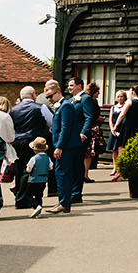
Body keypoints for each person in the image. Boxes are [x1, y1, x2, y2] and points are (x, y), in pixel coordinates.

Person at [48, 79, 88, 215]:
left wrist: (59, 146)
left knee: (62, 174)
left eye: (50, 96)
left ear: (58, 92)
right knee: (62, 174)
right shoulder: (63, 105)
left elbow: (66, 128)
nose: (49, 99)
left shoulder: (65, 106)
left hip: (66, 146)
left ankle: (64, 203)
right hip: (67, 145)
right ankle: (63, 202)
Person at [9, 86, 51, 206]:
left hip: (16, 141)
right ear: (33, 94)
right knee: (29, 169)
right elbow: (52, 122)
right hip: (33, 141)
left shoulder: (13, 109)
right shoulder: (41, 107)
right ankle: (23, 197)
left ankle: (19, 195)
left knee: (18, 169)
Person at [109, 84, 138, 182]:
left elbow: (122, 114)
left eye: (130, 91)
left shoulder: (130, 101)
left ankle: (121, 172)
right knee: (135, 148)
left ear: (133, 92)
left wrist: (116, 126)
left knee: (122, 148)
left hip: (127, 127)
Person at [24, 138, 52, 218]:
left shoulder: (34, 158)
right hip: (43, 180)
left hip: (33, 180)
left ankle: (36, 206)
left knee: (27, 195)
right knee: (39, 196)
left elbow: (29, 169)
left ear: (34, 150)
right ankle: (39, 213)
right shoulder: (47, 158)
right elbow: (51, 168)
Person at [83, 82, 104, 183]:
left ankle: (84, 174)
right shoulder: (92, 101)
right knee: (89, 153)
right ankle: (85, 175)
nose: (99, 93)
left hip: (88, 128)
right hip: (92, 129)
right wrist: (99, 118)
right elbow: (91, 115)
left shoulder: (86, 99)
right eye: (97, 91)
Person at [106, 90, 126, 180]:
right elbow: (110, 119)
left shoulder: (126, 107)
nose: (120, 98)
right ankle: (114, 167)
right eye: (118, 96)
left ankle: (120, 169)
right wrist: (112, 129)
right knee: (114, 150)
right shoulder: (113, 107)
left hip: (122, 129)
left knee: (120, 149)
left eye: (121, 96)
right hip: (114, 129)